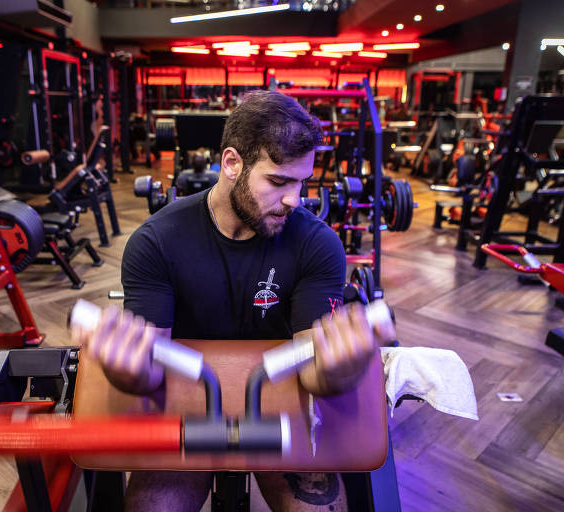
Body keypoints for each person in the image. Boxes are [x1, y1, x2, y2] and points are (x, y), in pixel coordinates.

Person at [81, 91, 390, 511]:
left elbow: (315, 376)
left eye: (302, 182)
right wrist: (127, 369)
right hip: (186, 409)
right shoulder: (156, 243)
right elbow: (149, 374)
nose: (294, 200)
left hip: (280, 406)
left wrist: (340, 367)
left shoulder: (317, 244)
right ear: (231, 163)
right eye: (278, 181)